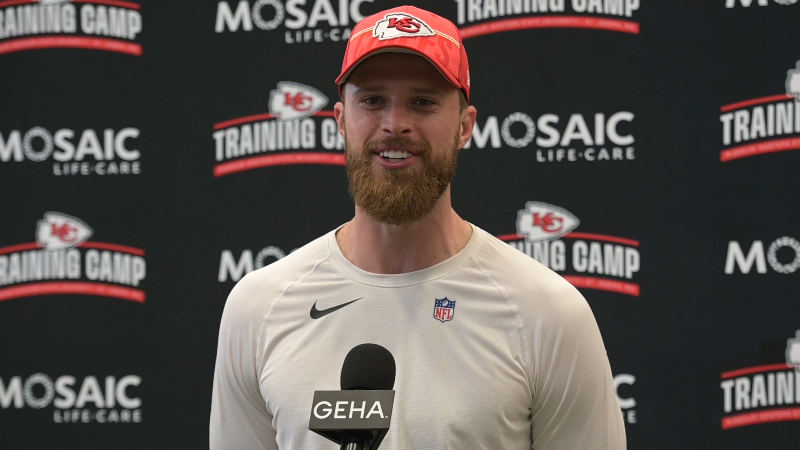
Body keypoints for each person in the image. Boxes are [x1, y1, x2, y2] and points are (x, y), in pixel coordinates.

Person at [210, 5, 626, 449]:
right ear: (340, 121)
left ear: (465, 127)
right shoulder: (259, 306)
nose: (395, 124)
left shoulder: (547, 313)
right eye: (372, 100)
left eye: (423, 102)